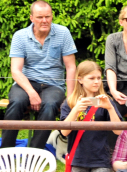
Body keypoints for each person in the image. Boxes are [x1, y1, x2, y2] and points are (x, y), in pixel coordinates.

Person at [1, 0, 77, 150]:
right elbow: (16, 70)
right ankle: (5, 152)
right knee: (16, 102)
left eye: (47, 17)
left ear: (52, 16)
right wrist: (31, 92)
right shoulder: (20, 36)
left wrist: (70, 96)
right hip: (26, 83)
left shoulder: (63, 33)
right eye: (40, 17)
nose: (44, 21)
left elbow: (71, 67)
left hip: (53, 85)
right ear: (31, 18)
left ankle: (36, 152)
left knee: (49, 105)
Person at [60, 61, 122, 172]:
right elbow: (64, 131)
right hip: (78, 159)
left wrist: (109, 108)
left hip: (100, 160)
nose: (96, 82)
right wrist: (76, 110)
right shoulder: (70, 102)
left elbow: (118, 130)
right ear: (80, 79)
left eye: (99, 78)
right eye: (91, 78)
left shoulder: (105, 102)